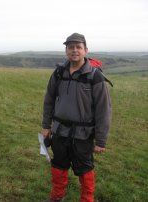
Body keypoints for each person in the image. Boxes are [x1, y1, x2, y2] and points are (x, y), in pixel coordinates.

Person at [41, 33, 112, 202]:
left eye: (78, 47)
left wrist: (101, 140)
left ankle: (87, 200)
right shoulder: (58, 73)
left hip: (83, 135)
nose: (74, 50)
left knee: (85, 170)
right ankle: (57, 197)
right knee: (58, 166)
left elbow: (104, 110)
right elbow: (49, 100)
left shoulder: (95, 77)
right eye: (70, 47)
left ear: (85, 50)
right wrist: (46, 125)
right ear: (66, 51)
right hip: (59, 132)